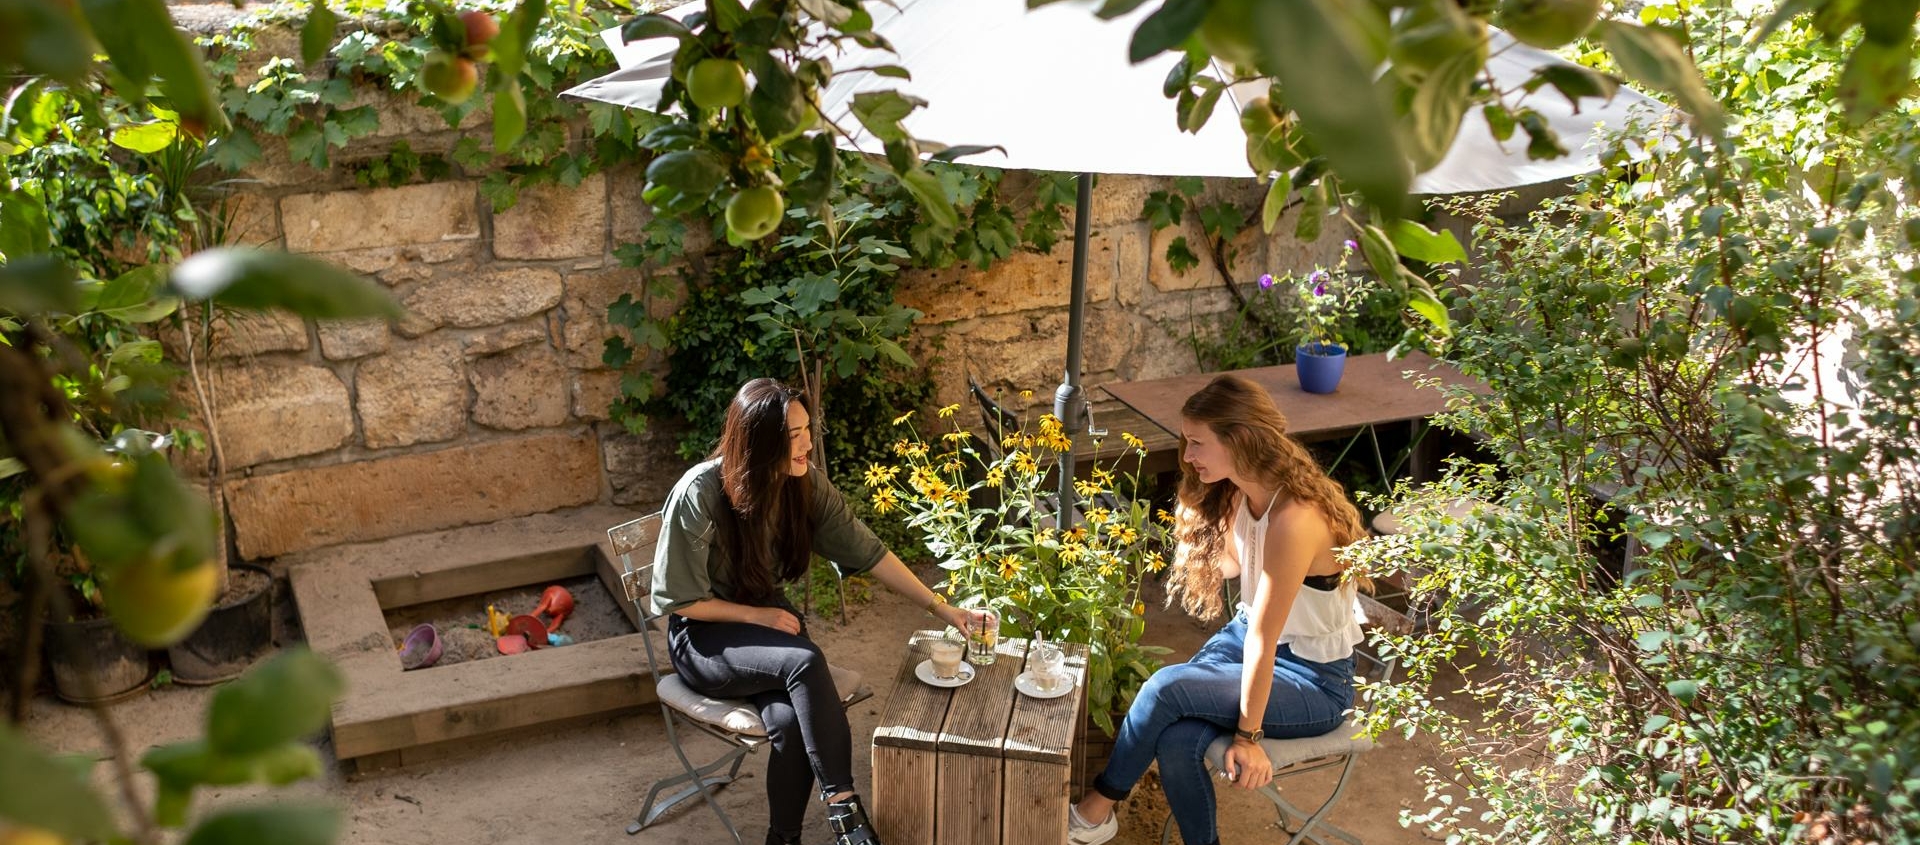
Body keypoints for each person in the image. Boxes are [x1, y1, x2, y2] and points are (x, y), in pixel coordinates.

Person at [651, 377, 981, 845]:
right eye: (792, 434)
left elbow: (867, 550)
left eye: (808, 428)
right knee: (805, 662)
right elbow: (680, 600)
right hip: (703, 638)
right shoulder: (700, 492)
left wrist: (943, 609)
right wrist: (757, 617)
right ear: (759, 440)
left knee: (787, 723)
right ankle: (845, 815)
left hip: (770, 630)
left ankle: (782, 840)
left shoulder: (802, 483)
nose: (807, 442)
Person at [1067, 374, 1367, 845]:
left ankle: (1093, 812)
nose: (1187, 456)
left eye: (1197, 444)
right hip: (1247, 641)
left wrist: (1249, 738)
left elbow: (1265, 640)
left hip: (1313, 680)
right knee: (1179, 739)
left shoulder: (1297, 519)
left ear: (1241, 440)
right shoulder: (1241, 493)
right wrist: (1198, 517)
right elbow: (1231, 568)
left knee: (1165, 687)